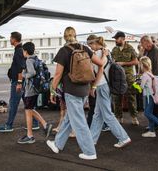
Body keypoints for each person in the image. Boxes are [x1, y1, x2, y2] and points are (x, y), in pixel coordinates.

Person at [47, 27, 97, 160]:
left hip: (71, 91)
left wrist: (52, 90)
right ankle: (57, 144)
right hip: (85, 89)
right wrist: (95, 84)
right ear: (75, 35)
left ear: (64, 37)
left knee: (79, 122)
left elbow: (57, 74)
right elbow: (100, 64)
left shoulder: (64, 51)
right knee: (70, 118)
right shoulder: (85, 48)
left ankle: (89, 151)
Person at [87, 35, 131, 148]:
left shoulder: (97, 54)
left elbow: (100, 70)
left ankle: (123, 137)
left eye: (90, 44)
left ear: (95, 43)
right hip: (106, 85)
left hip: (101, 86)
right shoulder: (107, 52)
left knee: (107, 115)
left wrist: (94, 86)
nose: (89, 47)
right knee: (98, 115)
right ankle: (91, 140)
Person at [0, 32, 38, 132]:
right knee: (28, 104)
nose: (10, 39)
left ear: (14, 39)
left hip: (18, 82)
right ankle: (35, 123)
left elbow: (21, 68)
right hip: (22, 82)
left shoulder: (19, 51)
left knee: (13, 103)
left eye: (10, 38)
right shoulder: (20, 50)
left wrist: (19, 83)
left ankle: (8, 125)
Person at [18, 42, 53, 144]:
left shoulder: (29, 60)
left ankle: (30, 136)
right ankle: (45, 125)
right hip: (36, 89)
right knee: (30, 110)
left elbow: (32, 73)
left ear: (25, 51)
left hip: (30, 90)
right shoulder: (36, 59)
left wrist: (24, 75)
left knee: (28, 111)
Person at [140, 35, 158, 134]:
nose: (142, 46)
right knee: (156, 105)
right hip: (154, 78)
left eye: (143, 44)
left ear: (147, 42)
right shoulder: (148, 50)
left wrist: (150, 78)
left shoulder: (155, 50)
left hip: (156, 79)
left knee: (157, 105)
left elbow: (155, 66)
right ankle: (156, 124)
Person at [111, 31, 139, 125]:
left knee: (131, 97)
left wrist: (123, 63)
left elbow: (136, 62)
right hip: (117, 77)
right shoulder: (114, 49)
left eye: (117, 38)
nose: (115, 40)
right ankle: (119, 117)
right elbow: (112, 61)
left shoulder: (130, 48)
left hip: (128, 77)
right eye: (115, 39)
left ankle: (134, 117)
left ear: (123, 38)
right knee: (117, 97)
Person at [138, 56, 158, 138]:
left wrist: (138, 84)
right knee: (150, 113)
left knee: (147, 113)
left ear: (142, 65)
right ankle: (151, 131)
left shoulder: (144, 75)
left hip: (148, 96)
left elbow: (142, 86)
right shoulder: (150, 73)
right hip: (152, 96)